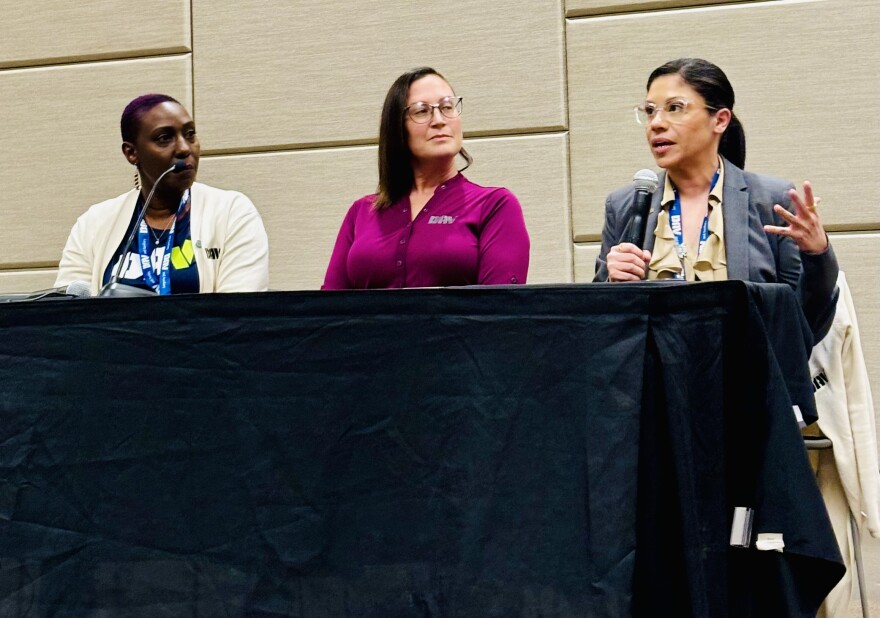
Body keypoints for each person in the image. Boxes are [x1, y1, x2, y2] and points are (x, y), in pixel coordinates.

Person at [594, 58, 838, 335]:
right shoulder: (625, 204)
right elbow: (600, 326)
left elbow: (802, 323)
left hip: (744, 361)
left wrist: (818, 254)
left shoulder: (770, 201)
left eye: (675, 108)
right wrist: (612, 283)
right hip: (653, 363)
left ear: (720, 120)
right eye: (650, 111)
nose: (657, 123)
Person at [322, 67, 530, 289]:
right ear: (397, 128)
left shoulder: (495, 205)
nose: (439, 120)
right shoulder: (361, 211)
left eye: (447, 107)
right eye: (422, 111)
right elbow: (328, 306)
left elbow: (501, 307)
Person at [55, 94, 269, 295]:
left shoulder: (232, 213)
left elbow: (238, 312)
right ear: (132, 153)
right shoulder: (93, 224)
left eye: (190, 134)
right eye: (164, 138)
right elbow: (69, 312)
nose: (184, 148)